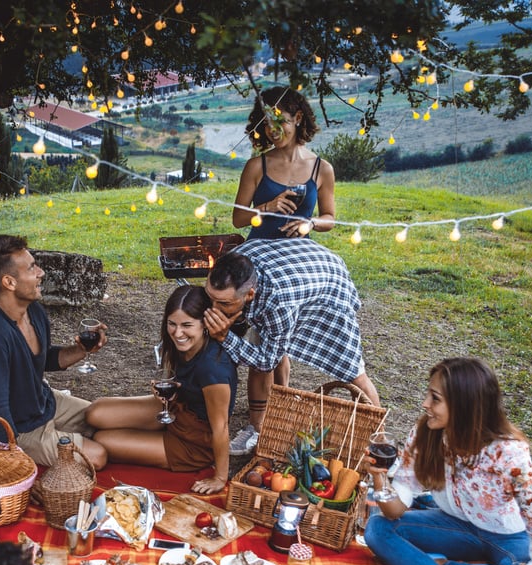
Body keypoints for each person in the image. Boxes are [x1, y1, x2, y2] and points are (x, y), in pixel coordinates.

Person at [361, 357, 532, 565]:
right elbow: (395, 510)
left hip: (508, 537)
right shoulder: (425, 434)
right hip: (454, 526)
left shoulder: (509, 454)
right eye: (428, 394)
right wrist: (379, 479)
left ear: (465, 406)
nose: (424, 404)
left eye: (435, 398)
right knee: (377, 529)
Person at [202, 239, 381, 455]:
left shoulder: (278, 302)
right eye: (211, 298)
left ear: (249, 294)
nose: (214, 308)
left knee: (352, 368)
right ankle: (259, 426)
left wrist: (225, 337)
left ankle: (380, 443)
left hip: (329, 281)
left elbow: (267, 360)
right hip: (296, 267)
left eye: (224, 304)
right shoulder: (233, 263)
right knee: (267, 340)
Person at [0, 235, 108, 469]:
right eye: (32, 267)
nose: (41, 272)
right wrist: (8, 458)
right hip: (20, 429)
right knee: (98, 455)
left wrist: (81, 350)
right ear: (9, 282)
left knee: (105, 420)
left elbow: (41, 360)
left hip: (44, 403)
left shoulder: (34, 311)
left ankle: (65, 434)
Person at [85, 286, 237, 494]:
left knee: (102, 441)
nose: (177, 332)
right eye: (171, 324)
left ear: (205, 325)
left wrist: (220, 477)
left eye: (187, 325)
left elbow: (221, 428)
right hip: (174, 410)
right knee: (95, 412)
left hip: (192, 443)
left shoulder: (213, 369)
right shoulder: (179, 345)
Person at [232, 86, 336, 240]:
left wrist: (310, 222)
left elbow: (329, 218)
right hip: (261, 247)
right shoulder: (256, 166)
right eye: (267, 123)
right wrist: (268, 207)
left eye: (279, 121)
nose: (273, 129)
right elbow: (238, 219)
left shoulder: (322, 169)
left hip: (300, 251)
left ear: (298, 118)